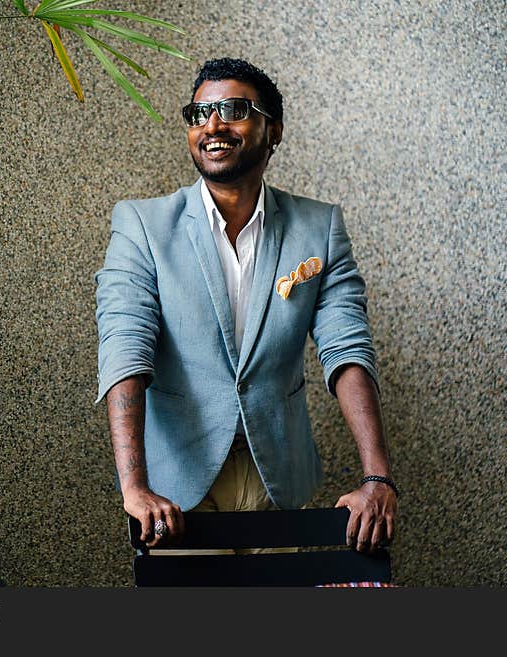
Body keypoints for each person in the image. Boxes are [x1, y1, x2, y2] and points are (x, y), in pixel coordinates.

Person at [94, 58, 397, 554]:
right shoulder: (142, 226)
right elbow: (125, 348)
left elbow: (348, 350)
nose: (212, 125)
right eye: (198, 113)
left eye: (233, 110)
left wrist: (377, 477)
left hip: (276, 475)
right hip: (175, 486)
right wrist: (135, 487)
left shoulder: (318, 228)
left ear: (272, 130)